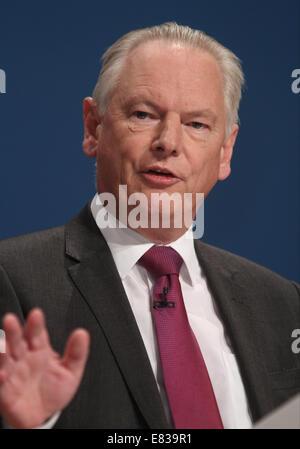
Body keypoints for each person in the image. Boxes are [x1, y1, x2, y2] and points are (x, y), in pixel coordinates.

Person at [0, 22, 299, 429]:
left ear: (225, 150)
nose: (168, 141)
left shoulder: (282, 304)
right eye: (143, 114)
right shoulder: (12, 280)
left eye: (197, 124)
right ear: (94, 128)